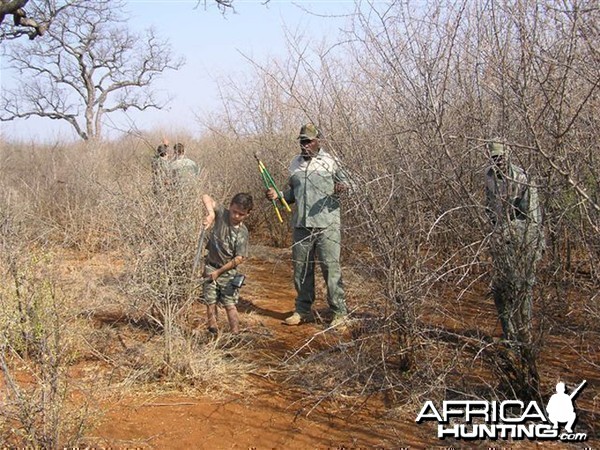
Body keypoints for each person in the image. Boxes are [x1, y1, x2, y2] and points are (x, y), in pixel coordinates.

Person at [266, 123, 350, 327]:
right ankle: (303, 310)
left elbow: (348, 186)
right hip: (302, 225)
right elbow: (292, 195)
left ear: (318, 141)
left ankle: (339, 313)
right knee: (301, 270)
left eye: (308, 141)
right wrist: (278, 196)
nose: (304, 145)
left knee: (331, 268)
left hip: (327, 226)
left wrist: (341, 187)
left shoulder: (331, 161)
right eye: (302, 141)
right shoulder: (295, 163)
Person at [484, 140, 544, 343]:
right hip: (502, 244)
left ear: (508, 155)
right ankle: (509, 337)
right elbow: (490, 208)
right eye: (494, 157)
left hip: (525, 244)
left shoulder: (522, 178)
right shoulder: (489, 177)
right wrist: (495, 232)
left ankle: (524, 338)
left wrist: (509, 230)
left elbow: (533, 220)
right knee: (500, 290)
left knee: (522, 289)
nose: (497, 161)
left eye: (500, 157)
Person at [201, 192, 253, 334]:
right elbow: (206, 196)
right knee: (210, 302)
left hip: (227, 272)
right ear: (230, 206)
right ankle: (213, 331)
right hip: (211, 266)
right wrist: (211, 214)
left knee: (229, 304)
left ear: (247, 214)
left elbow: (239, 258)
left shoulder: (242, 232)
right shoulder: (222, 213)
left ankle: (235, 334)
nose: (235, 216)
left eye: (241, 214)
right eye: (234, 211)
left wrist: (218, 273)